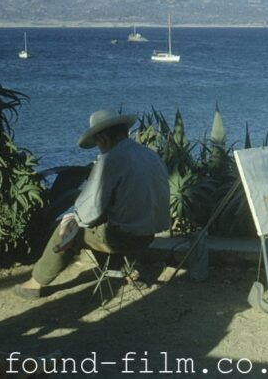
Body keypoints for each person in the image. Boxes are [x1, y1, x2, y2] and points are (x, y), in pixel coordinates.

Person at [15, 109, 170, 299]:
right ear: (125, 132)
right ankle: (125, 270)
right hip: (148, 235)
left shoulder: (110, 160)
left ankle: (34, 283)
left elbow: (88, 211)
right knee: (98, 227)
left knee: (67, 229)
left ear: (103, 138)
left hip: (124, 238)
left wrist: (71, 219)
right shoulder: (150, 154)